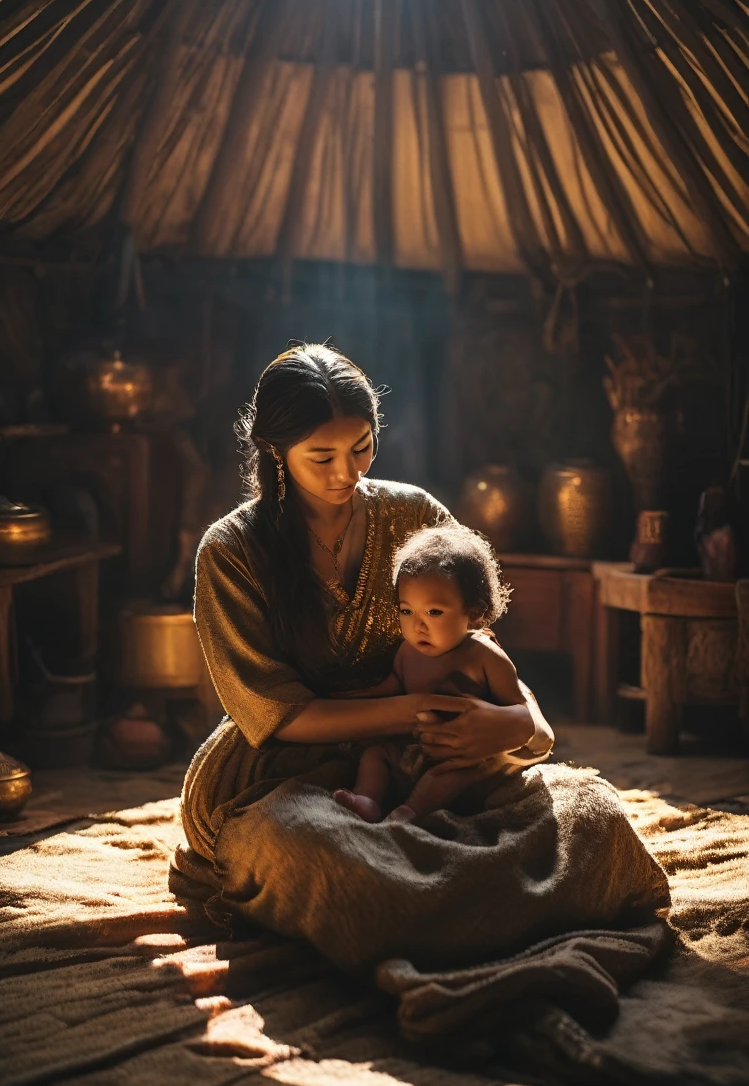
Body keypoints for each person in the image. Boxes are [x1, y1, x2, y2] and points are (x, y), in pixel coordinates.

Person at [173, 343, 668, 993]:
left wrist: (509, 725)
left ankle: (431, 898)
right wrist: (417, 710)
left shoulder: (416, 518)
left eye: (362, 447)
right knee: (333, 861)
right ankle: (461, 901)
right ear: (275, 450)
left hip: (424, 760)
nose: (345, 472)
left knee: (595, 820)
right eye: (321, 456)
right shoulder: (232, 550)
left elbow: (487, 658)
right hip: (278, 774)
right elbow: (279, 714)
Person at [333, 524, 528, 823]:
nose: (417, 626)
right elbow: (393, 687)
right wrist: (349, 697)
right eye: (407, 611)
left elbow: (520, 713)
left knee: (448, 776)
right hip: (416, 748)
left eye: (434, 612)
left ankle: (411, 812)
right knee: (376, 754)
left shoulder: (484, 657)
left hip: (462, 756)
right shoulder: (408, 652)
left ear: (474, 613)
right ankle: (367, 798)